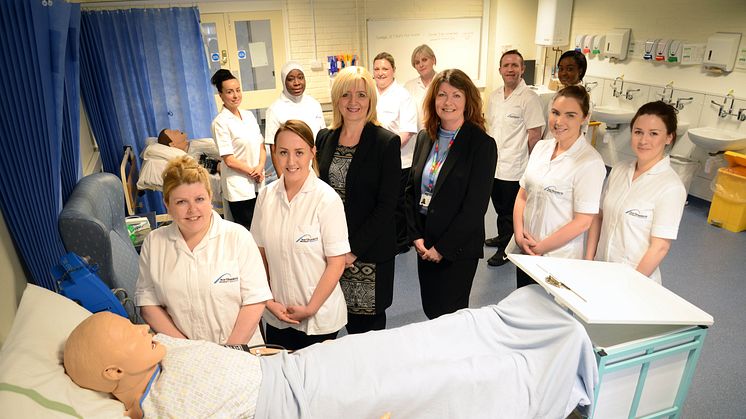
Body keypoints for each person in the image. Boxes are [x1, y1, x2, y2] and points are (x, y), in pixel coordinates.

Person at [64, 285, 595, 419]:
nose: (141, 329)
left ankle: (516, 324)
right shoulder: (160, 407)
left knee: (418, 340)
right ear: (113, 370)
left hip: (305, 367)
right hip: (308, 406)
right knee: (433, 379)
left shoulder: (165, 353)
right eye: (129, 333)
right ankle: (533, 367)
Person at [135, 156, 272, 347]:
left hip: (240, 350)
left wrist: (230, 351)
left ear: (210, 197)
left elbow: (255, 300)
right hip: (184, 353)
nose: (193, 210)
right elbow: (148, 303)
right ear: (167, 204)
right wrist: (189, 349)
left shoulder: (237, 237)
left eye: (199, 199)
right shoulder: (155, 243)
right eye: (181, 202)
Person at [405, 69, 497, 319]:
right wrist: (416, 236)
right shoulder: (426, 138)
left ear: (468, 100)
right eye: (442, 95)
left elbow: (475, 207)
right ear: (433, 99)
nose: (448, 102)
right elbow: (412, 190)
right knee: (431, 310)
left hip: (456, 250)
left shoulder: (481, 145)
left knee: (451, 316)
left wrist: (442, 248)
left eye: (456, 95)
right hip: (426, 242)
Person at [251, 120, 350, 350]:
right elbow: (259, 255)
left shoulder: (326, 200)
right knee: (284, 379)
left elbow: (336, 263)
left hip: (319, 316)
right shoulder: (266, 197)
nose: (291, 161)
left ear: (312, 153)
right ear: (274, 153)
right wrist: (268, 301)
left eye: (299, 152)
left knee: (317, 382)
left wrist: (311, 308)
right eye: (283, 153)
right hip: (278, 313)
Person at [316, 66, 401, 334]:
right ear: (336, 99)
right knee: (330, 321)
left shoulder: (386, 143)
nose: (353, 102)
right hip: (331, 253)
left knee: (366, 334)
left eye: (361, 95)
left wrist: (352, 250)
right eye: (346, 95)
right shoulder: (324, 137)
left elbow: (387, 206)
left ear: (371, 100)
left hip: (367, 254)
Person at [511, 85, 606, 288]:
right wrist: (519, 235)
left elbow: (583, 222)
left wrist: (540, 247)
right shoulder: (541, 148)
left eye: (570, 115)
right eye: (555, 113)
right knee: (525, 308)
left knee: (548, 315)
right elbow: (522, 196)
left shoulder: (589, 162)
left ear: (584, 118)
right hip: (527, 250)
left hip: (558, 259)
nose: (559, 121)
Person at [585, 101, 686, 284]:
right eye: (638, 132)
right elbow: (598, 217)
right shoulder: (619, 170)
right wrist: (588, 260)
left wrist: (630, 284)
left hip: (636, 281)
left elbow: (660, 247)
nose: (643, 140)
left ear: (669, 137)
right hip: (599, 272)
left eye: (653, 133)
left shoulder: (671, 187)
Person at [484, 49, 545, 267]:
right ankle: (503, 237)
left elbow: (535, 135)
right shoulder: (494, 96)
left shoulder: (529, 98)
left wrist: (534, 167)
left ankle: (507, 250)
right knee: (500, 208)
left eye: (515, 65)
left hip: (516, 166)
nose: (510, 69)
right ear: (500, 69)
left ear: (522, 69)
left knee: (511, 211)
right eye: (506, 65)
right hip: (495, 165)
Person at [373, 52, 419, 253]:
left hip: (400, 160)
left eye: (385, 68)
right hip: (375, 161)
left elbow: (407, 132)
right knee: (380, 202)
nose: (380, 73)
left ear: (393, 71)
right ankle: (384, 236)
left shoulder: (403, 95)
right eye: (376, 69)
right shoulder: (370, 93)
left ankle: (401, 242)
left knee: (398, 204)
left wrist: (385, 153)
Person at [210, 69, 266, 230]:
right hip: (239, 186)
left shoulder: (248, 116)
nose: (235, 95)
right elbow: (229, 159)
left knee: (262, 228)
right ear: (220, 95)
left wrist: (260, 167)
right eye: (229, 92)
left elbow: (260, 145)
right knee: (247, 231)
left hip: (258, 180)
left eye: (238, 90)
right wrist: (252, 172)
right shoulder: (220, 122)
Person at [264, 62, 326, 176]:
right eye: (291, 79)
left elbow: (322, 138)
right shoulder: (275, 109)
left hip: (316, 167)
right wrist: (282, 180)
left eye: (300, 78)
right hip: (291, 168)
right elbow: (274, 149)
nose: (297, 83)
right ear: (284, 81)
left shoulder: (314, 104)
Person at [543, 50, 592, 139]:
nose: (564, 73)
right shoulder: (559, 94)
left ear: (580, 71)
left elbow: (581, 132)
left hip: (566, 147)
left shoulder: (583, 99)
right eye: (561, 69)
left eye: (570, 69)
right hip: (550, 145)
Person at [404, 44, 437, 130]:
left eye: (424, 60)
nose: (421, 65)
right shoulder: (408, 87)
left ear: (433, 60)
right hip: (415, 138)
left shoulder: (443, 84)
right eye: (417, 62)